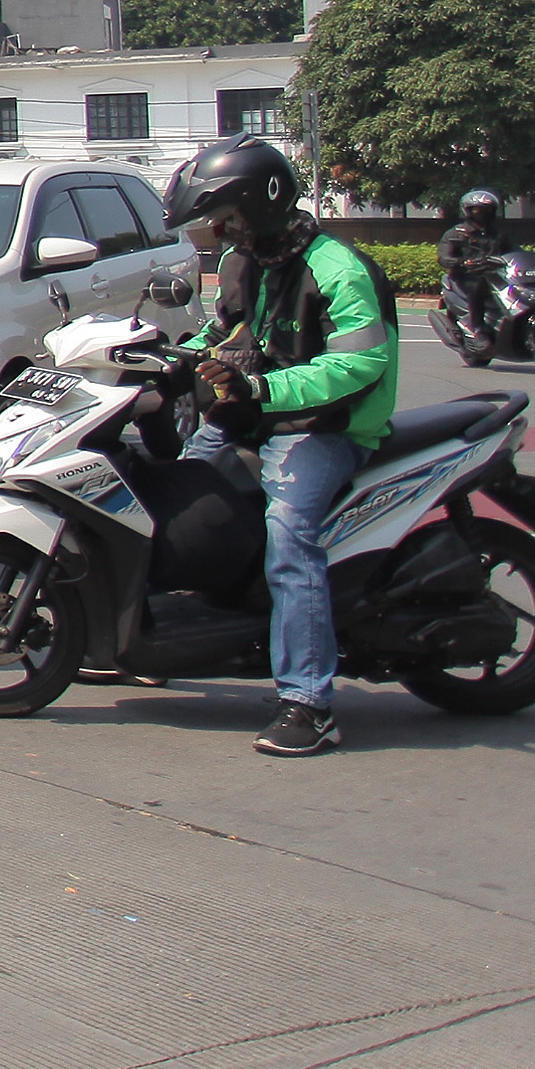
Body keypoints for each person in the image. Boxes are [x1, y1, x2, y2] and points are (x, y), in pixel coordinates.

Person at [167, 136, 399, 759]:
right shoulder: (244, 263)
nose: (217, 229)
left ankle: (310, 702)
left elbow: (360, 365)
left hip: (323, 427)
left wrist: (262, 385)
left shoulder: (338, 270)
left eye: (226, 216)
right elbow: (225, 329)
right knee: (172, 498)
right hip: (253, 414)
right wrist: (168, 356)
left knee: (289, 535)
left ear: (259, 204)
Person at [438, 189, 510, 342]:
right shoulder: (456, 233)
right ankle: (478, 328)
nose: (482, 213)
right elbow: (444, 258)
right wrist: (461, 262)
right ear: (468, 211)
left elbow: (514, 250)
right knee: (478, 286)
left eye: (487, 210)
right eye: (478, 209)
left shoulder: (498, 233)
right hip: (466, 277)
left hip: (495, 275)